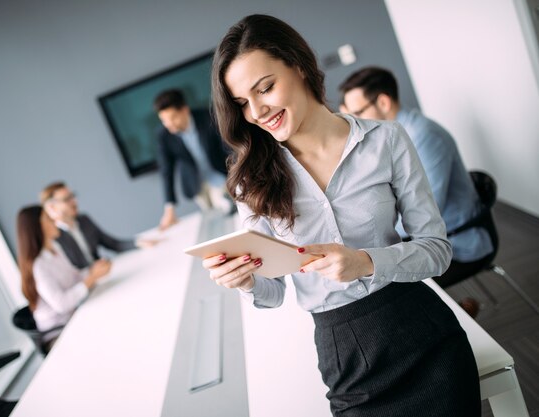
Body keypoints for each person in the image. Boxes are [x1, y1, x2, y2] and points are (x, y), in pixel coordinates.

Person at [205, 14, 480, 416]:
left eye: (265, 88)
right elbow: (274, 294)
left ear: (298, 65)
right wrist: (245, 280)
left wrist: (366, 262)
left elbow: (437, 252)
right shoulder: (251, 182)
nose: (258, 111)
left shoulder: (386, 139)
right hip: (346, 355)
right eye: (243, 103)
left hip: (422, 331)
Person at [338, 67, 494, 317]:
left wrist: (370, 240)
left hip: (460, 241)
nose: (354, 123)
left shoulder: (425, 137)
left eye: (357, 113)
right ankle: (454, 313)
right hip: (433, 237)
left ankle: (451, 322)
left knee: (390, 291)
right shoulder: (389, 141)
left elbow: (427, 211)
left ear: (383, 102)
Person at [16, 205, 111, 351]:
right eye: (48, 218)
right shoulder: (38, 266)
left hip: (75, 318)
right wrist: (91, 278)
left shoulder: (55, 249)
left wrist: (93, 270)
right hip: (57, 334)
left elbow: (75, 276)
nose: (54, 220)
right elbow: (61, 304)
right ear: (38, 227)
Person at [153, 89, 233, 230]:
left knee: (224, 210)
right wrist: (169, 207)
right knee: (211, 219)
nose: (169, 124)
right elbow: (167, 171)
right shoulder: (164, 135)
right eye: (164, 120)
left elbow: (228, 148)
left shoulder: (208, 118)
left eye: (173, 118)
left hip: (219, 176)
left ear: (184, 110)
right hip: (196, 185)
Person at [40, 182, 157, 269]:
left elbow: (113, 244)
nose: (74, 202)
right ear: (51, 208)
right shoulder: (52, 237)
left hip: (104, 277)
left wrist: (137, 243)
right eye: (67, 199)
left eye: (73, 196)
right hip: (84, 288)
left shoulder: (84, 220)